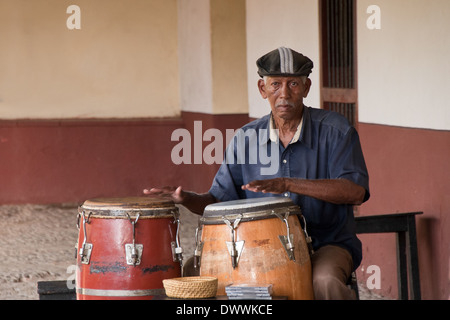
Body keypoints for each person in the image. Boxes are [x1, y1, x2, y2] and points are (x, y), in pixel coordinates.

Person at [144, 47, 369, 300]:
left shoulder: (335, 131)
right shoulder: (246, 139)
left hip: (325, 244)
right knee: (193, 273)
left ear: (306, 89)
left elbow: (355, 191)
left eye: (293, 84)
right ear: (263, 89)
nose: (284, 94)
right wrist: (186, 199)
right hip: (257, 248)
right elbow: (218, 201)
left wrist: (288, 183)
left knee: (324, 281)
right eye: (275, 85)